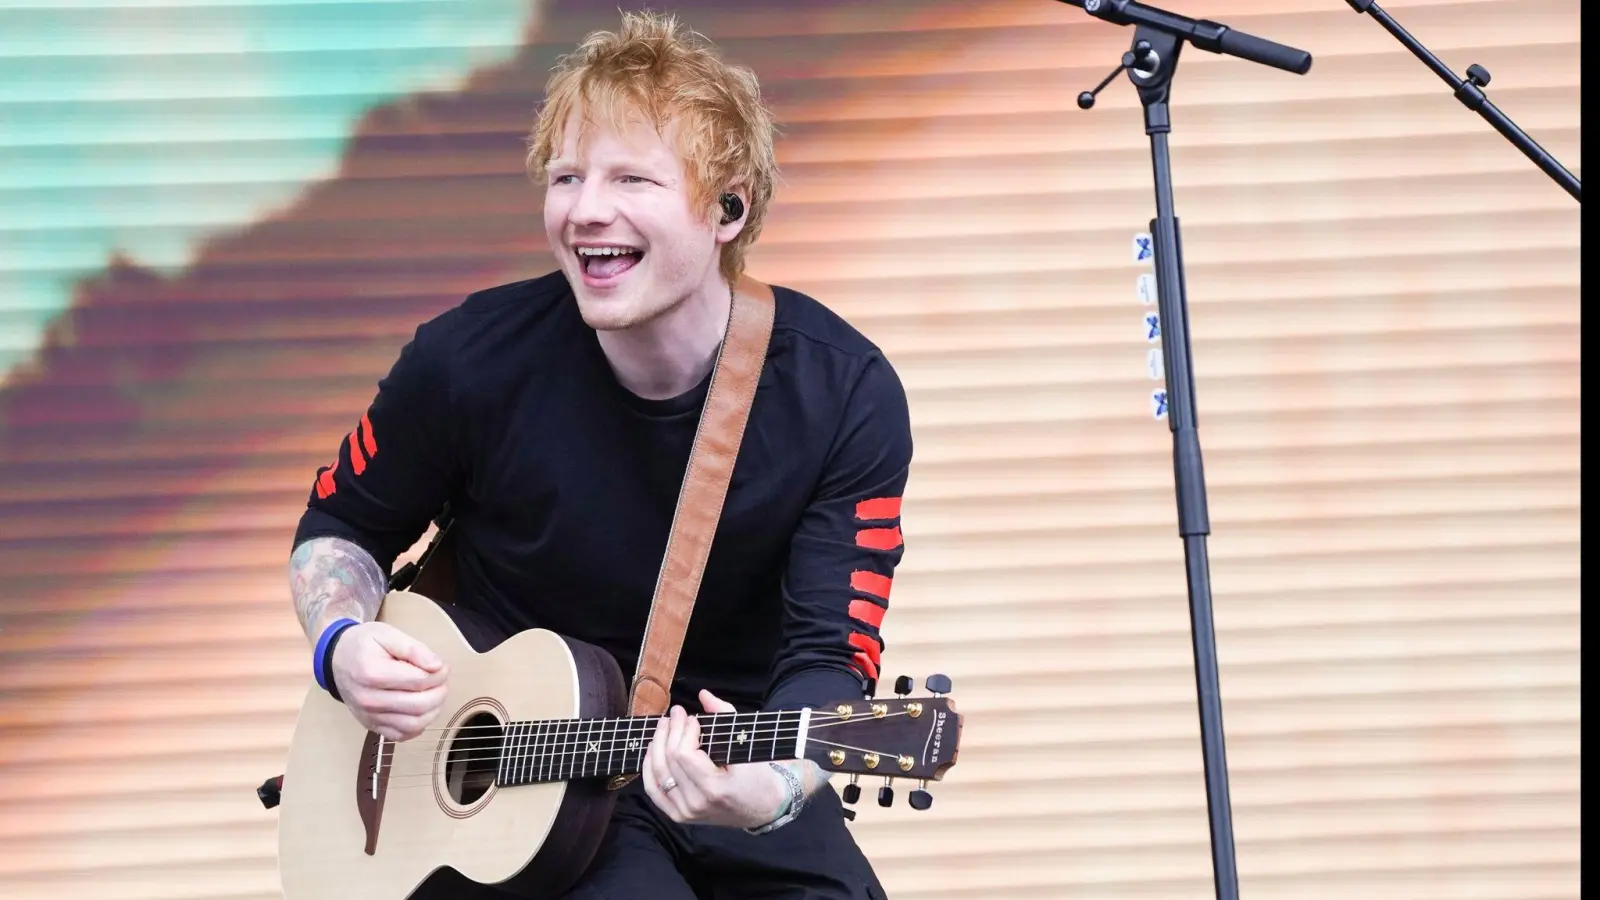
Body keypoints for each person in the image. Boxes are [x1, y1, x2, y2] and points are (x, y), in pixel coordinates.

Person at [287, 10, 908, 900]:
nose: (585, 209)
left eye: (631, 178)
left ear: (727, 206)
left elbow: (831, 656)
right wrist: (342, 645)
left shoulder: (840, 393)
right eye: (567, 175)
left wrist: (768, 791)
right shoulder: (466, 361)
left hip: (727, 755)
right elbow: (341, 523)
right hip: (508, 790)